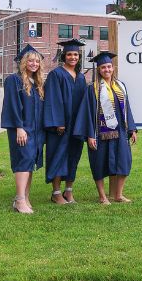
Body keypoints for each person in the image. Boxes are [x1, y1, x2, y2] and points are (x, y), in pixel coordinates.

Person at [74, 52, 137, 204]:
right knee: (99, 163)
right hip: (100, 133)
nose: (106, 70)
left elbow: (126, 108)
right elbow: (87, 113)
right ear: (99, 70)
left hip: (120, 131)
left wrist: (132, 129)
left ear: (113, 68)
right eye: (103, 67)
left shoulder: (121, 86)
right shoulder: (93, 89)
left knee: (124, 162)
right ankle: (102, 196)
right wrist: (90, 135)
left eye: (109, 67)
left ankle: (118, 195)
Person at [0, 44, 45, 214]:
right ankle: (19, 200)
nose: (34, 64)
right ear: (24, 62)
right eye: (30, 61)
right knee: (23, 160)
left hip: (35, 130)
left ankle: (26, 197)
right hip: (22, 129)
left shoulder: (37, 83)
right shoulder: (14, 80)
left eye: (37, 61)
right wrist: (19, 127)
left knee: (30, 162)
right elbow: (12, 105)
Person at [43, 39, 87, 204]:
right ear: (64, 56)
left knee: (73, 156)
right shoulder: (56, 74)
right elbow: (53, 100)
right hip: (60, 127)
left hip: (76, 126)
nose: (73, 57)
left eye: (75, 54)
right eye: (69, 54)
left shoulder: (81, 77)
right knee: (58, 156)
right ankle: (56, 193)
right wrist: (58, 122)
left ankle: (68, 191)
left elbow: (84, 102)